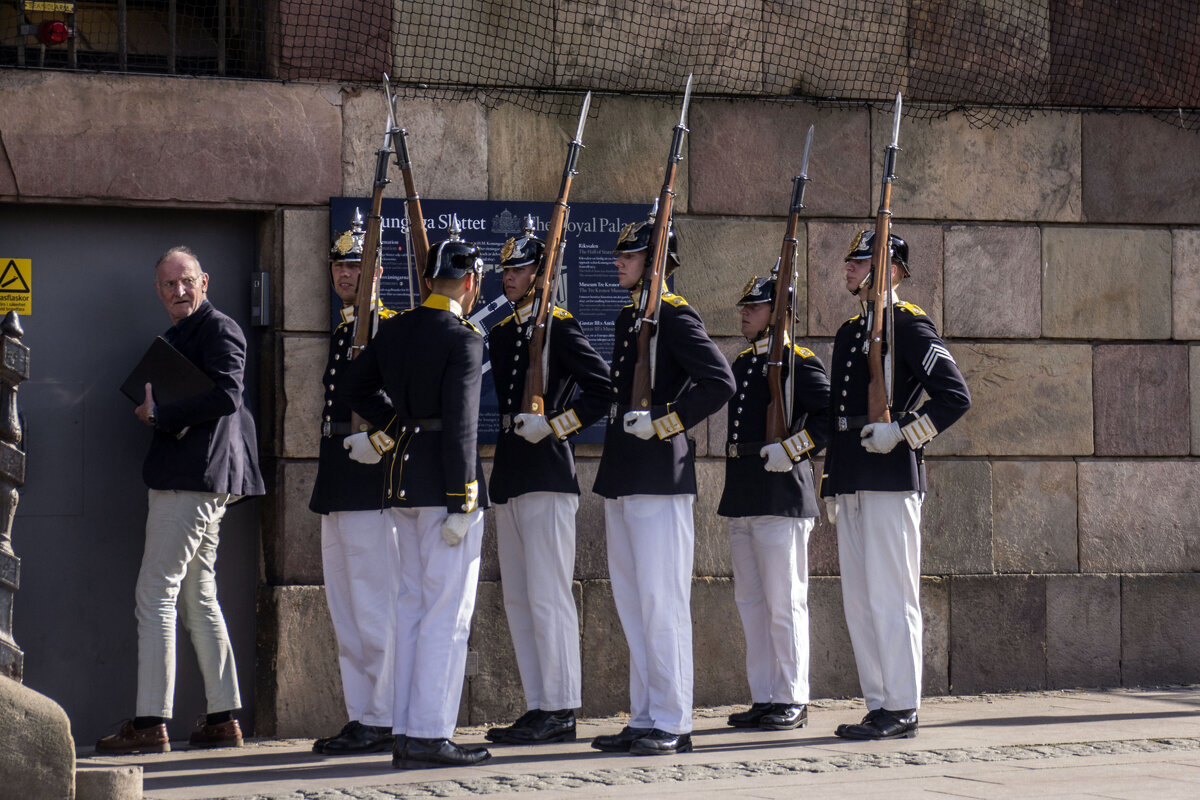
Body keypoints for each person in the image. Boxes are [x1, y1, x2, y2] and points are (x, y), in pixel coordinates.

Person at [97, 246, 265, 755]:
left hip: (192, 482)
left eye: (187, 281)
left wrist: (160, 414)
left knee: (156, 594)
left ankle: (150, 723)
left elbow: (228, 395)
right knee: (198, 598)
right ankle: (222, 717)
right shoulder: (178, 336)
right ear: (158, 291)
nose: (179, 291)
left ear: (205, 281)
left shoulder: (220, 329)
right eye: (169, 285)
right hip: (197, 481)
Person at [339, 224, 492, 769]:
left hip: (403, 480)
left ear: (430, 279)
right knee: (445, 615)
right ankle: (429, 733)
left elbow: (354, 387)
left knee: (410, 609)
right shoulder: (465, 338)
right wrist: (463, 499)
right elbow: (462, 427)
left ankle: (406, 729)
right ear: (469, 282)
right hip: (445, 488)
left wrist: (399, 426)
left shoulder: (398, 330)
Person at [590, 216, 735, 756]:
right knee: (632, 601)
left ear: (655, 263)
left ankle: (674, 720)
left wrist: (665, 420)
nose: (617, 263)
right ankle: (646, 713)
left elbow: (721, 382)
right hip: (626, 476)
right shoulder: (633, 318)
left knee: (661, 600)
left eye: (628, 257)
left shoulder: (673, 316)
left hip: (659, 476)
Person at [821, 230, 970, 740]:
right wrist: (832, 485)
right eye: (849, 260)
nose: (848, 267)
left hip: (890, 477)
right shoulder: (848, 332)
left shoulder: (908, 325)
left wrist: (903, 434)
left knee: (892, 593)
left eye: (860, 260)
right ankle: (879, 701)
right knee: (860, 599)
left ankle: (903, 704)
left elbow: (954, 397)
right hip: (853, 479)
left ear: (891, 270)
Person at [483, 220, 611, 746]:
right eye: (506, 270)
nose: (508, 278)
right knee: (518, 596)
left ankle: (561, 707)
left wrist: (557, 423)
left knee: (549, 595)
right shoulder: (504, 329)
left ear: (540, 274)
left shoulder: (558, 325)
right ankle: (538, 705)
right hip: (511, 473)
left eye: (518, 270)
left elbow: (603, 389)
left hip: (548, 473)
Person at [718, 275, 830, 733]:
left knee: (785, 603)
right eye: (744, 305)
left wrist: (795, 447)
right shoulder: (744, 362)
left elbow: (827, 419)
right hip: (744, 493)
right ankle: (764, 695)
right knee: (751, 603)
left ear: (779, 314)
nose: (745, 312)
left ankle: (793, 697)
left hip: (781, 496)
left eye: (756, 306)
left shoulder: (800, 362)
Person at [308, 213, 399, 755]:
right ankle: (361, 712)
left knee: (372, 604)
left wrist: (382, 442)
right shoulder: (346, 327)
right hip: (338, 475)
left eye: (357, 266)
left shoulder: (385, 326)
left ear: (378, 271)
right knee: (345, 606)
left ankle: (384, 712)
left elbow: (403, 408)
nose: (347, 274)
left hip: (369, 479)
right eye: (341, 266)